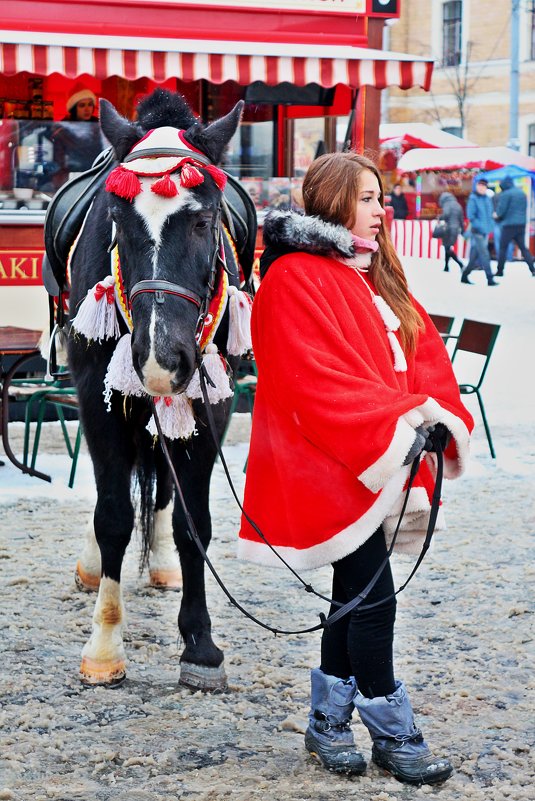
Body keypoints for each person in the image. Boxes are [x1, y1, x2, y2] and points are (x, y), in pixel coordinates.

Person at [238, 152, 474, 785]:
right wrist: (401, 419)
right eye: (368, 198)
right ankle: (395, 732)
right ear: (335, 201)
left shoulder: (372, 274)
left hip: (378, 460)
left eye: (381, 197)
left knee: (355, 593)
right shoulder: (293, 276)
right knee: (374, 600)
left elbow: (422, 356)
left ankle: (328, 723)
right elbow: (312, 380)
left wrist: (435, 414)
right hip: (333, 463)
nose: (381, 209)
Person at [51, 86, 105, 188]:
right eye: (82, 105)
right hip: (71, 180)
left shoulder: (99, 127)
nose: (87, 109)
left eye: (90, 105)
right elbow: (58, 162)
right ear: (73, 108)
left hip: (96, 177)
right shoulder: (62, 129)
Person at [493, 176, 535, 277]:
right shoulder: (522, 193)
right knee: (523, 248)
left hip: (508, 225)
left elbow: (501, 211)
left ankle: (500, 270)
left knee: (503, 247)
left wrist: (496, 215)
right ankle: (532, 269)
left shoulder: (506, 194)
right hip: (521, 225)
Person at [461, 177, 498, 286]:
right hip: (477, 231)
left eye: (484, 186)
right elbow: (471, 216)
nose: (482, 188)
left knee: (474, 256)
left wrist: (490, 226)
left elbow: (490, 213)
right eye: (480, 185)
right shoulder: (473, 199)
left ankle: (465, 275)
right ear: (477, 186)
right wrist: (481, 226)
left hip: (485, 231)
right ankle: (490, 278)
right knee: (485, 254)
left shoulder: (487, 198)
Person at [437, 191, 465, 272]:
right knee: (447, 247)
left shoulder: (447, 204)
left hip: (448, 229)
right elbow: (461, 219)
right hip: (456, 229)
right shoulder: (458, 205)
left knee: (448, 248)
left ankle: (460, 264)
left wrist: (440, 217)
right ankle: (446, 267)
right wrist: (462, 230)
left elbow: (446, 214)